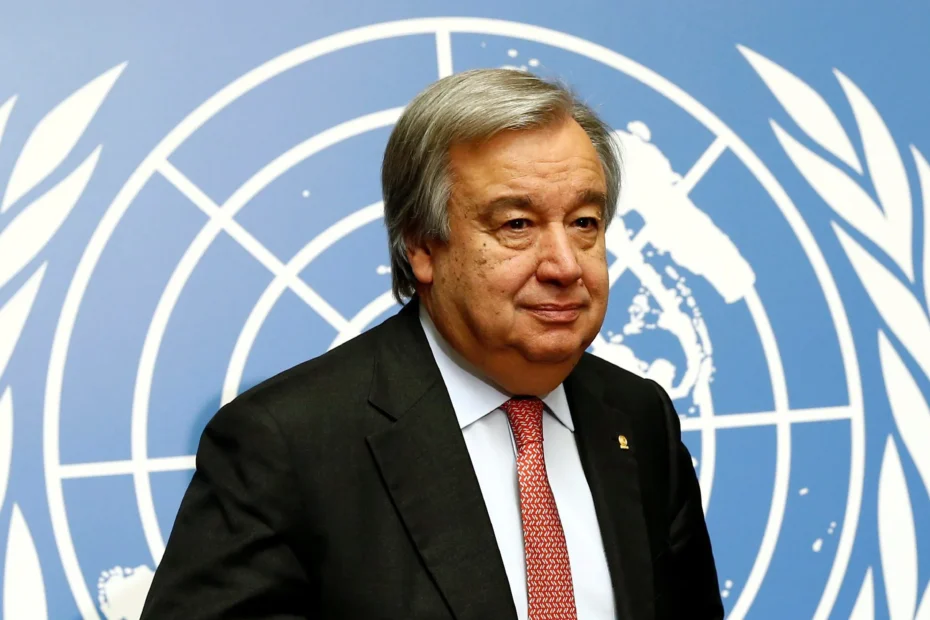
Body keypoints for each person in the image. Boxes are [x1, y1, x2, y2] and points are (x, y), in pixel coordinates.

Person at [140, 68, 723, 620]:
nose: (566, 265)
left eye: (584, 223)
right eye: (517, 225)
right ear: (422, 247)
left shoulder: (640, 420)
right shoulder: (286, 444)